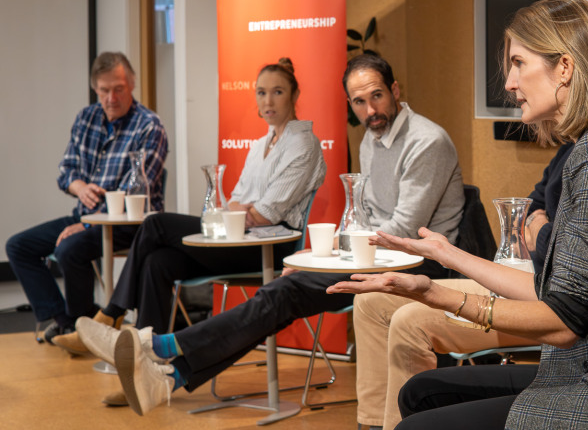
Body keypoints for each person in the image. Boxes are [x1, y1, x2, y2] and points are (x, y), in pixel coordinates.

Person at [327, 0, 588, 429]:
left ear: (565, 68)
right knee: (420, 392)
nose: (511, 83)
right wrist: (446, 254)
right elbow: (553, 291)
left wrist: (432, 292)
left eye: (518, 63)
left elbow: (564, 320)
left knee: (418, 420)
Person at [79, 53, 465, 415]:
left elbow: (402, 231)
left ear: (395, 91)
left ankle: (156, 346)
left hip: (417, 267)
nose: (370, 110)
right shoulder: (372, 139)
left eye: (377, 96)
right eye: (359, 102)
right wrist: (320, 258)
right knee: (269, 291)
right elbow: (364, 219)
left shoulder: (425, 141)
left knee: (279, 293)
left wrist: (323, 260)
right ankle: (166, 377)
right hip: (374, 258)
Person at [53, 57, 326, 354]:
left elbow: (264, 215)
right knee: (158, 261)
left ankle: (111, 313)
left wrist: (246, 211)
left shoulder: (303, 143)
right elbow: (235, 200)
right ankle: (146, 360)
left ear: (295, 95)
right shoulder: (260, 145)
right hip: (239, 237)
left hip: (271, 247)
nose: (268, 100)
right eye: (261, 92)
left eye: (278, 91)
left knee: (155, 223)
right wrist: (244, 210)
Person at [353, 142, 572, 430]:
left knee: (410, 320)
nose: (510, 93)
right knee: (370, 302)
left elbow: (558, 248)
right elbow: (532, 205)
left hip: (548, 295)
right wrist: (448, 254)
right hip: (530, 278)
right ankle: (371, 424)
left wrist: (540, 229)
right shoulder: (569, 147)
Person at [6, 51, 168, 343]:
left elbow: (136, 189)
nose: (111, 98)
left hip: (130, 224)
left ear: (132, 85)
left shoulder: (149, 126)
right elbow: (65, 169)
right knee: (19, 246)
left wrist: (89, 225)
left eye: (118, 89)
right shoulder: (87, 117)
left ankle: (87, 328)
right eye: (104, 90)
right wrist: (78, 186)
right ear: (96, 89)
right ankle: (69, 322)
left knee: (70, 249)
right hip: (84, 215)